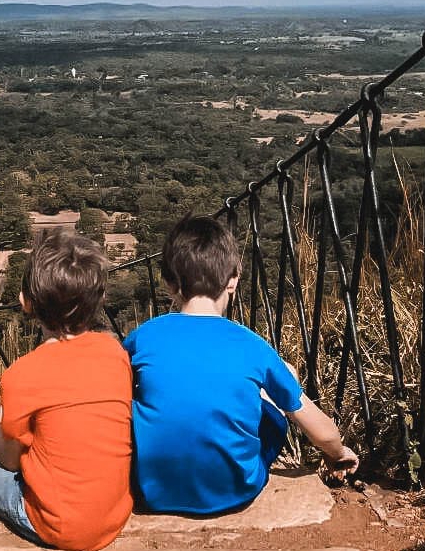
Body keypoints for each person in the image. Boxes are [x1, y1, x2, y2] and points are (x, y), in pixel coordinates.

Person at [123, 215, 359, 515]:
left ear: (169, 283)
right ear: (234, 279)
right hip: (234, 490)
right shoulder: (252, 345)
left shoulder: (143, 337)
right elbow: (324, 434)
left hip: (152, 489)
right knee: (283, 376)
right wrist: (340, 454)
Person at [0, 230, 133, 551]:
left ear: (26, 302)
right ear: (99, 300)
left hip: (57, 527)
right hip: (116, 515)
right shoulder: (115, 354)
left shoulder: (23, 374)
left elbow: (10, 461)